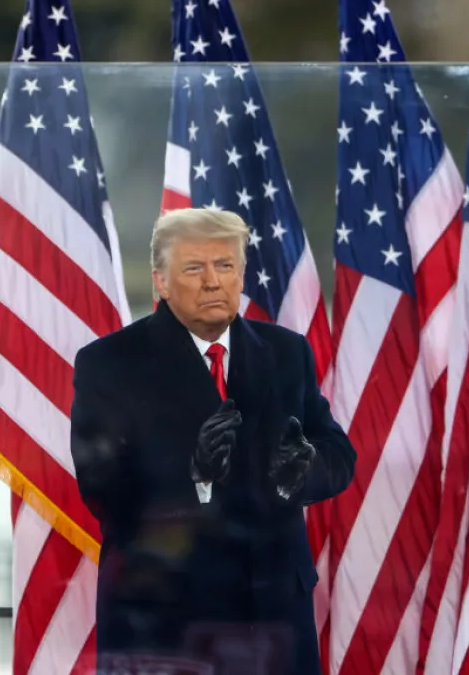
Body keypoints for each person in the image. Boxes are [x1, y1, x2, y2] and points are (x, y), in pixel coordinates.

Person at [70, 207, 355, 674]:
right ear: (161, 281)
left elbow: (340, 454)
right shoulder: (110, 364)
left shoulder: (286, 353)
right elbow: (102, 489)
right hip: (165, 626)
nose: (212, 282)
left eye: (225, 266)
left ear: (241, 275)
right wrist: (194, 473)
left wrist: (302, 471)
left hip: (275, 622)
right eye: (193, 268)